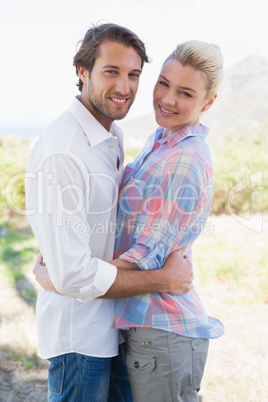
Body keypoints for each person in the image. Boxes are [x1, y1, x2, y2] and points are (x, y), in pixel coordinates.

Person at [26, 23, 193, 402]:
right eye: (111, 72)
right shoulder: (62, 150)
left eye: (134, 74)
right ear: (82, 72)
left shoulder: (110, 136)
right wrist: (164, 280)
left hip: (115, 324)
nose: (124, 87)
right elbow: (74, 275)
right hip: (79, 337)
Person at [113, 40, 225, 401]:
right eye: (163, 83)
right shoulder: (161, 140)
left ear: (208, 103)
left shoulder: (185, 159)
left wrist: (72, 275)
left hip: (162, 329)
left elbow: (147, 258)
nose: (168, 99)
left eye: (186, 93)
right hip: (142, 325)